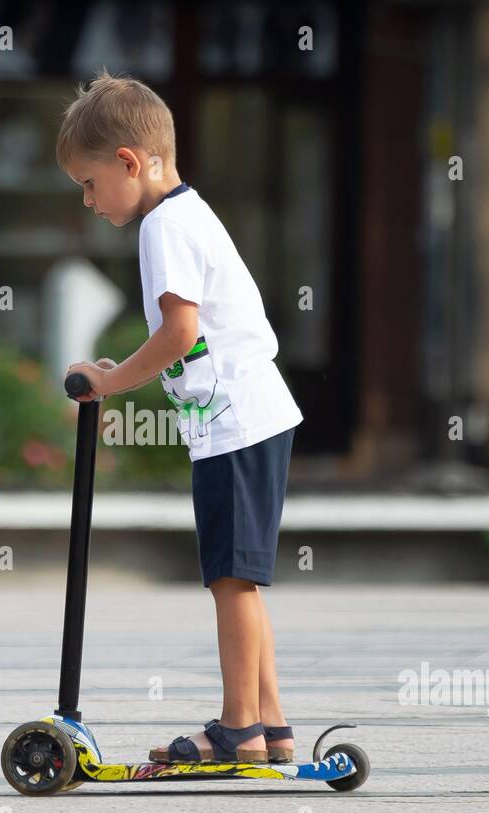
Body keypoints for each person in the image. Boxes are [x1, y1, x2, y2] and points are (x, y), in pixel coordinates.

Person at [56, 69, 304, 765]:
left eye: (89, 182)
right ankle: (272, 723)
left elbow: (178, 334)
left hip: (236, 421)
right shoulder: (187, 213)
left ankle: (238, 727)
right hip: (251, 416)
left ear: (129, 164)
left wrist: (109, 381)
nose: (88, 200)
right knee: (242, 579)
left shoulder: (163, 226)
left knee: (231, 579)